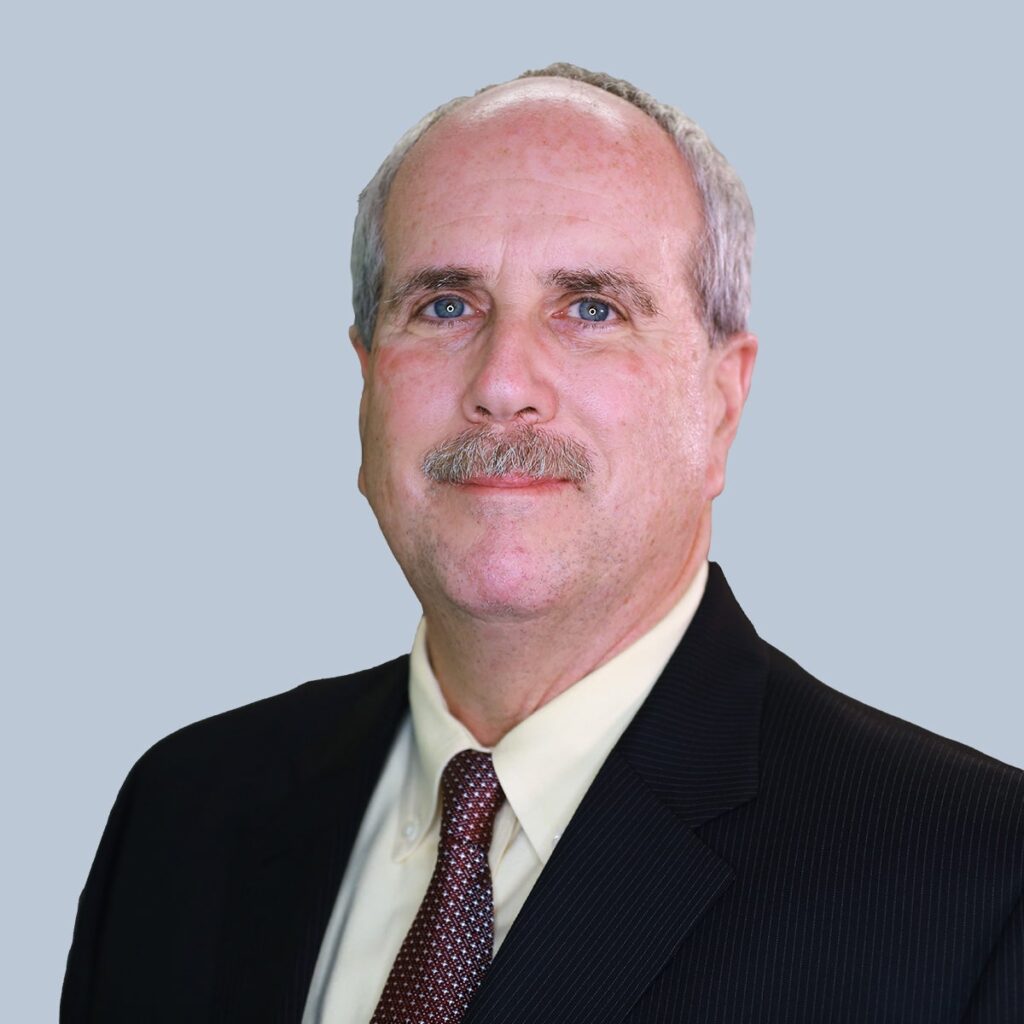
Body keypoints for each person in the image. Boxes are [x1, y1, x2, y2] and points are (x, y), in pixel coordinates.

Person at [61, 63, 1023, 1024]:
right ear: (365, 384)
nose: (502, 382)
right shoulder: (183, 815)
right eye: (444, 306)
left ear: (722, 403)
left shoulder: (977, 882)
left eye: (590, 310)